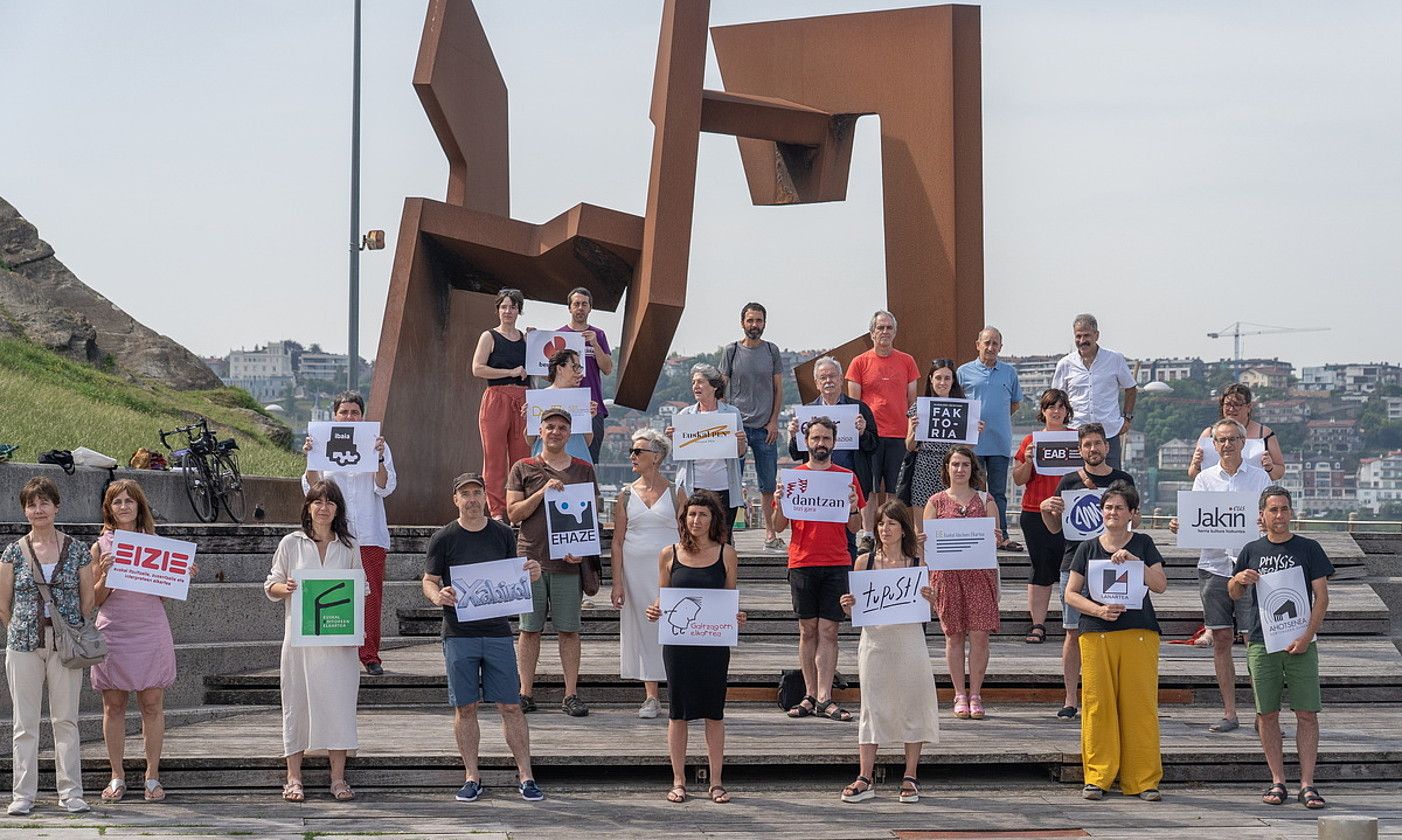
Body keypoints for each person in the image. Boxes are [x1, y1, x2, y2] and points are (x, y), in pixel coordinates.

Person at [422, 472, 546, 803]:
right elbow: (429, 580)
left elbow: (516, 573)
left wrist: (531, 571)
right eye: (466, 493)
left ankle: (526, 775)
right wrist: (437, 596)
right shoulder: (444, 538)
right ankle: (472, 776)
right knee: (466, 707)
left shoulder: (504, 534)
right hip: (458, 633)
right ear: (456, 500)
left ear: (484, 497)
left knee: (510, 705)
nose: (473, 498)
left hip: (497, 632)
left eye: (477, 492)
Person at [1228, 486, 1333, 810]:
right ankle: (1278, 780)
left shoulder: (1309, 548)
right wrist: (1239, 579)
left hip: (1302, 642)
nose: (1279, 515)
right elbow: (1233, 593)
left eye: (1284, 509)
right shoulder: (1250, 550)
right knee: (1267, 714)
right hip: (1262, 641)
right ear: (1262, 514)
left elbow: (1322, 598)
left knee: (1307, 713)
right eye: (1272, 510)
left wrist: (1306, 637)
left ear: (1291, 512)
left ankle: (1307, 784)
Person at [1064, 482, 1168, 801]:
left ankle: (1143, 779)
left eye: (1120, 508)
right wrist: (1099, 610)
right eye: (1108, 507)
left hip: (1139, 632)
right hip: (1096, 633)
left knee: (1140, 706)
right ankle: (1098, 776)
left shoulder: (1145, 543)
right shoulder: (1087, 547)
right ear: (1101, 512)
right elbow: (1070, 594)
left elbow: (1160, 585)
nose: (1113, 513)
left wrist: (1136, 562)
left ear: (1132, 514)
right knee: (1098, 706)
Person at [1, 476, 96, 815]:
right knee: (24, 723)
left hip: (66, 645)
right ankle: (22, 794)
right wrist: (18, 630)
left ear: (56, 507)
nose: (37, 509)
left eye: (44, 503)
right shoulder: (13, 551)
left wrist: (67, 629)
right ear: (25, 510)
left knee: (65, 720)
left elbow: (88, 601)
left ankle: (70, 792)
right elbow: (3, 603)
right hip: (23, 644)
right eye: (31, 504)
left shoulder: (78, 550)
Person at [1171, 418, 1272, 733]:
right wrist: (1181, 526)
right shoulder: (1204, 479)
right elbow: (1198, 521)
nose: (1227, 445)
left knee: (1256, 642)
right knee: (1222, 640)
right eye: (1221, 440)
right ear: (1213, 445)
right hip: (1213, 566)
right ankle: (1230, 713)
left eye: (1232, 439)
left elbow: (1272, 518)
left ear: (1244, 442)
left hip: (1252, 569)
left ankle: (1264, 715)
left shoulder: (1260, 478)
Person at [264, 480, 362, 802]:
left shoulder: (349, 545)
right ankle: (293, 777)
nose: (323, 508)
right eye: (317, 502)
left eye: (330, 502)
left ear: (338, 509)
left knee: (340, 706)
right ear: (308, 507)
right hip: (300, 642)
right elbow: (271, 585)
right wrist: (288, 588)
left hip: (338, 641)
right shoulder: (291, 543)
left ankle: (338, 778)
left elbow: (361, 589)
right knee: (297, 703)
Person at [645, 490, 746, 804]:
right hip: (679, 644)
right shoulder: (668, 554)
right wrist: (655, 609)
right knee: (678, 713)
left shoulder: (726, 554)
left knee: (715, 713)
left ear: (714, 519)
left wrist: (737, 616)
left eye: (703, 514)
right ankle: (678, 780)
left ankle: (716, 781)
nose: (697, 520)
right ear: (683, 519)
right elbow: (664, 598)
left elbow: (729, 600)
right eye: (691, 514)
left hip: (713, 644)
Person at [837, 502, 940, 804]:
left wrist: (932, 599)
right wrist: (848, 606)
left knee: (913, 703)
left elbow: (928, 609)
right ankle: (865, 776)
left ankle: (910, 774)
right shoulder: (863, 562)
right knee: (872, 705)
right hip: (875, 642)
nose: (885, 529)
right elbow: (855, 609)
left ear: (904, 529)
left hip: (909, 640)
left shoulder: (918, 564)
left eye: (892, 524)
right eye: (882, 524)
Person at [91, 480, 187, 802]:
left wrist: (181, 575)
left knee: (152, 704)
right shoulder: (100, 545)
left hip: (149, 629)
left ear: (139, 506)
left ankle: (152, 775)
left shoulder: (157, 544)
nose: (123, 507)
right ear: (109, 508)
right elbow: (95, 600)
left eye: (129, 501)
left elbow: (163, 595)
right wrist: (104, 574)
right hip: (114, 629)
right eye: (117, 502)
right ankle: (117, 775)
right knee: (113, 705)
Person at [508, 407, 601, 717]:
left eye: (562, 427)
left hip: (568, 562)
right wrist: (542, 493)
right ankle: (524, 692)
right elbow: (513, 514)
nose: (556, 432)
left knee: (569, 630)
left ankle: (571, 694)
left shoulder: (584, 469)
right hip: (530, 560)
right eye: (550, 427)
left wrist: (583, 551)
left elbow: (590, 516)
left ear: (569, 432)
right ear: (540, 430)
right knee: (529, 629)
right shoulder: (522, 467)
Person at [1039, 422, 1135, 720]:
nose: (1093, 449)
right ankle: (1070, 698)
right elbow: (1056, 528)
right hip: (1075, 562)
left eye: (1097, 443)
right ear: (1079, 450)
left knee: (1118, 630)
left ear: (1107, 447)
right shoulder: (1068, 481)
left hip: (1114, 562)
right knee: (1072, 632)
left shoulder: (1123, 479)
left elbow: (1136, 520)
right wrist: (1046, 510)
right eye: (1087, 445)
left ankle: (1112, 696)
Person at [772, 417, 865, 722]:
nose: (820, 443)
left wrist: (853, 506)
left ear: (834, 443)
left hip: (837, 561)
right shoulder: (793, 477)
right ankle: (810, 695)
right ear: (806, 442)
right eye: (815, 438)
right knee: (806, 630)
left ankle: (825, 696)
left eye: (826, 438)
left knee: (829, 631)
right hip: (802, 560)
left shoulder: (847, 478)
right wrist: (779, 503)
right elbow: (777, 527)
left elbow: (856, 526)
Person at [302, 390, 396, 676]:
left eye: (355, 412)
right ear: (334, 416)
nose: (349, 417)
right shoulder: (321, 443)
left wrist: (378, 458)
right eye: (343, 412)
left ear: (363, 415)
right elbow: (311, 488)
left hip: (369, 533)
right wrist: (311, 458)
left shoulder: (379, 445)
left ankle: (369, 655)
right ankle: (333, 655)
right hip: (334, 533)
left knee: (370, 597)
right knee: (334, 591)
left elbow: (386, 487)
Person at [610, 428, 684, 718]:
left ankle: (678, 689)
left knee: (673, 626)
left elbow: (686, 533)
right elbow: (617, 540)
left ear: (656, 456)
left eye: (638, 451)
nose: (632, 456)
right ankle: (651, 696)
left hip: (670, 569)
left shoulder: (676, 492)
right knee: (643, 629)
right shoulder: (625, 494)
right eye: (632, 451)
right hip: (634, 570)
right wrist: (616, 583)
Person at [925, 445, 1002, 721]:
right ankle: (959, 693)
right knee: (954, 635)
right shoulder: (934, 502)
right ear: (946, 468)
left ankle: (976, 694)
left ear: (973, 469)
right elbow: (926, 547)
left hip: (980, 574)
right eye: (955, 464)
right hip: (947, 576)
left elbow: (998, 537)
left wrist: (994, 537)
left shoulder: (986, 499)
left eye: (965, 465)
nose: (959, 469)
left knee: (980, 635)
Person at [846, 310, 920, 545]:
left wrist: (912, 433)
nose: (885, 332)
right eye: (880, 328)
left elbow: (912, 402)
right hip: (870, 436)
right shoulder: (859, 362)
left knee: (894, 489)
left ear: (895, 332)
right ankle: (869, 534)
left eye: (889, 328)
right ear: (872, 333)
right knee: (869, 488)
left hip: (899, 434)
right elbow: (854, 404)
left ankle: (891, 533)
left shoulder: (907, 361)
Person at [719, 302, 785, 550]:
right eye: (750, 320)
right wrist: (726, 424)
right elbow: (722, 389)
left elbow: (779, 388)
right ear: (742, 322)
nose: (754, 325)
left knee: (767, 484)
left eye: (758, 321)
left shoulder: (772, 351)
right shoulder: (731, 351)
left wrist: (774, 421)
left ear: (764, 323)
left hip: (765, 428)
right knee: (731, 482)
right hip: (737, 429)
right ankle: (727, 535)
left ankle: (769, 534)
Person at [1012, 389, 1073, 646]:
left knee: (1073, 568)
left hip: (1072, 513)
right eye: (1051, 407)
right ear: (1043, 411)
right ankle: (1037, 624)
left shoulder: (1077, 439)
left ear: (1067, 411)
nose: (1056, 411)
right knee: (1041, 568)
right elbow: (1018, 479)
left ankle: (1075, 623)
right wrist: (1027, 461)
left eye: (1060, 406)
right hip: (1035, 511)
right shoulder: (1030, 440)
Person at [958, 326, 1025, 550]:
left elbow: (1014, 403)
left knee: (997, 493)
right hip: (972, 444)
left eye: (995, 343)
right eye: (986, 342)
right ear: (978, 344)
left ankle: (1001, 534)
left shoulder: (1009, 373)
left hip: (999, 442)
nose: (990, 347)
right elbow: (957, 405)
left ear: (1001, 347)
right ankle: (975, 534)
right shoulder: (964, 372)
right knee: (973, 492)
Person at [787, 356, 879, 511]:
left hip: (849, 480)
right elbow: (796, 454)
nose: (828, 381)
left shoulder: (860, 409)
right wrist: (794, 436)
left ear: (841, 379)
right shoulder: (806, 412)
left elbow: (874, 446)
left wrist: (863, 433)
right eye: (823, 378)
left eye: (832, 376)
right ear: (817, 383)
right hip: (816, 481)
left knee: (848, 530)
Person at [471, 287, 531, 519]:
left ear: (519, 311)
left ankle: (519, 507)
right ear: (498, 310)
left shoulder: (526, 338)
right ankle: (496, 509)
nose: (508, 311)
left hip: (523, 399)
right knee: (494, 456)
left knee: (522, 455)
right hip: (496, 397)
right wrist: (510, 371)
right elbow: (477, 368)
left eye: (513, 307)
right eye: (504, 306)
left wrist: (535, 340)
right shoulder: (489, 336)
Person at [670, 364, 748, 542]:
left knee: (723, 538)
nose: (695, 386)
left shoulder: (732, 414)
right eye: (693, 382)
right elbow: (679, 453)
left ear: (714, 386)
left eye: (700, 382)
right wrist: (673, 438)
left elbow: (740, 453)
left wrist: (741, 441)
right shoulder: (685, 414)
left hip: (724, 487)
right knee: (694, 538)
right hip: (694, 485)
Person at [1051, 313, 1136, 469]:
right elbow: (1055, 399)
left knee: (1112, 485)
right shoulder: (1065, 364)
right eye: (1078, 336)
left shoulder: (1114, 359)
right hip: (1075, 434)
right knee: (1076, 485)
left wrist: (1127, 418)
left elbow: (1131, 388)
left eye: (1086, 336)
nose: (1082, 341)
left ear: (1096, 335)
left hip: (1108, 433)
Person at [904, 358, 981, 523]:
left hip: (953, 468)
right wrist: (915, 432)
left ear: (953, 381)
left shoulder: (965, 407)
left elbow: (968, 447)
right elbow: (909, 446)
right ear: (931, 379)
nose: (942, 382)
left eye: (947, 378)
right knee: (922, 527)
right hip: (925, 467)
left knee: (951, 522)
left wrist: (975, 432)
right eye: (938, 378)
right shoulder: (919, 407)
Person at [558, 287, 613, 463]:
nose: (580, 308)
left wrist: (595, 343)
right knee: (563, 457)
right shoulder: (560, 335)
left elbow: (607, 368)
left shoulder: (599, 334)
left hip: (592, 405)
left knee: (590, 461)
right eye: (576, 304)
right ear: (569, 308)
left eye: (584, 304)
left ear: (590, 308)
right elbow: (548, 374)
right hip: (565, 404)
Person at [1188, 383, 1286, 481]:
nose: (1231, 409)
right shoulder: (1209, 434)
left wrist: (1270, 468)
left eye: (1237, 405)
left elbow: (1280, 472)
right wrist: (1196, 465)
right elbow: (1193, 474)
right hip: (1217, 492)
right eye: (1227, 404)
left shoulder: (1265, 434)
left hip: (1253, 492)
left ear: (1248, 407)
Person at [524, 347, 597, 463]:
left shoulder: (581, 399)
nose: (579, 372)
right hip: (547, 465)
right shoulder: (539, 398)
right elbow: (530, 441)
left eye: (579, 368)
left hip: (577, 464)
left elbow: (587, 442)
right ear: (560, 369)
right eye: (575, 367)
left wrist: (588, 419)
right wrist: (530, 420)